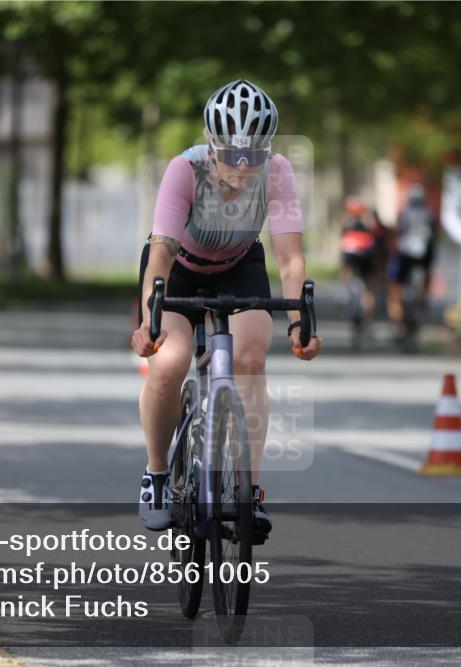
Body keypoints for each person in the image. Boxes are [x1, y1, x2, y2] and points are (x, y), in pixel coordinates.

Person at [130, 79, 322, 534]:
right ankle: (157, 474)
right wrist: (148, 322)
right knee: (170, 362)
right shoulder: (184, 169)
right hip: (180, 267)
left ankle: (250, 493)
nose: (241, 167)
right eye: (231, 154)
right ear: (210, 145)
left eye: (252, 156)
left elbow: (291, 257)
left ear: (267, 151)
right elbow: (160, 252)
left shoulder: (277, 173)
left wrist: (300, 322)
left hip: (239, 264)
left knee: (252, 357)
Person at [388, 184, 437, 335]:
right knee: (427, 275)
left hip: (406, 256)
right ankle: (424, 301)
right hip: (425, 256)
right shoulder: (429, 214)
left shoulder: (405, 214)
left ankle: (398, 319)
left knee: (396, 286)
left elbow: (398, 233)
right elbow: (435, 236)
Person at [340, 198, 389, 327]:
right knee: (368, 288)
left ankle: (345, 289)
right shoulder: (367, 218)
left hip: (351, 253)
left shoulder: (347, 220)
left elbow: (343, 233)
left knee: (346, 266)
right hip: (366, 254)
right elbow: (375, 231)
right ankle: (368, 319)